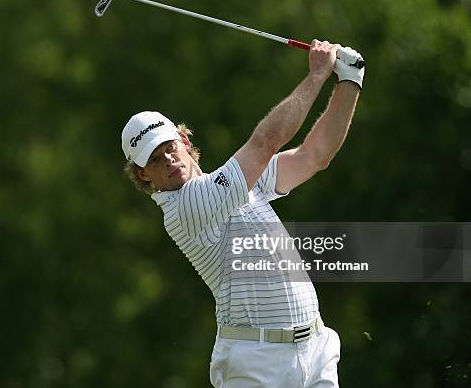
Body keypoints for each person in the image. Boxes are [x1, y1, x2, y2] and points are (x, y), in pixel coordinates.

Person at [121, 40, 364, 387]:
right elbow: (266, 142)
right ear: (143, 175)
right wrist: (317, 75)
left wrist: (349, 82)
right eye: (154, 160)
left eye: (169, 147)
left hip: (316, 347)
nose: (169, 160)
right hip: (256, 363)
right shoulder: (184, 209)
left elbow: (315, 156)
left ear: (184, 141)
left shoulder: (242, 183)